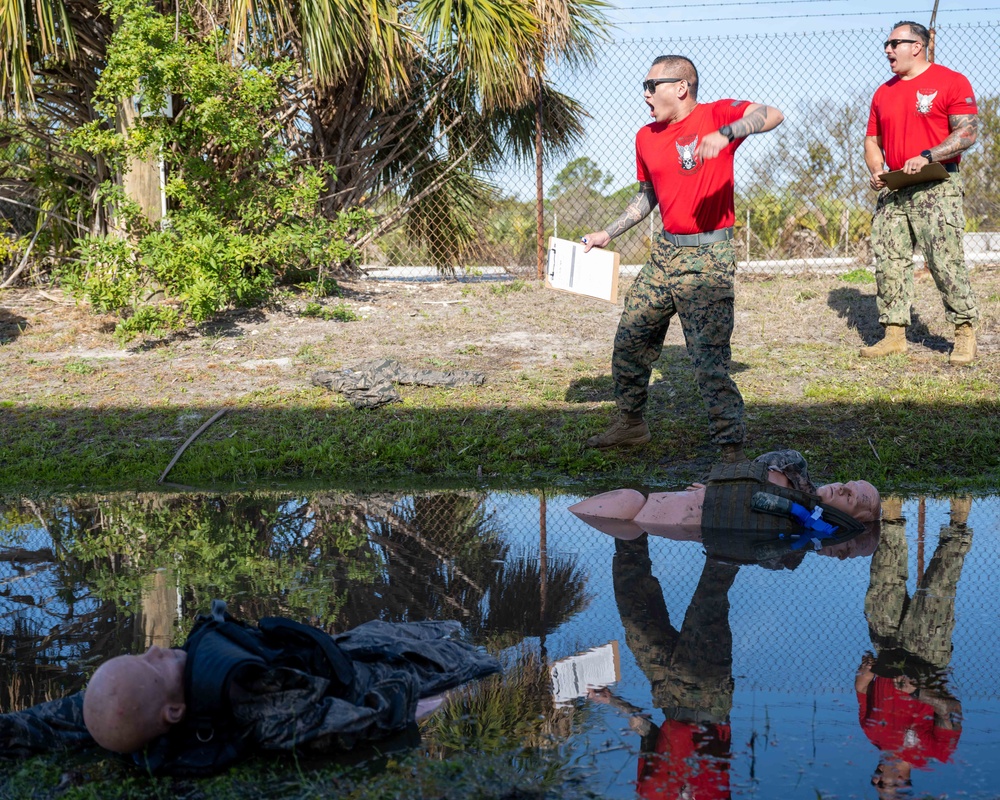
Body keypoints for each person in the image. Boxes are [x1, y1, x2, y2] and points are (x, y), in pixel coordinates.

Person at [0, 600, 500, 775]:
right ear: (173, 712)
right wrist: (462, 695)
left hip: (347, 645)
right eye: (152, 668)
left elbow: (51, 720)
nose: (157, 651)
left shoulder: (140, 696)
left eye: (140, 653)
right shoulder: (257, 709)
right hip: (404, 668)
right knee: (475, 650)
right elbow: (376, 717)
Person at [581, 54, 784, 460]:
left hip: (709, 255)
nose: (644, 95)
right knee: (631, 338)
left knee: (708, 361)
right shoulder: (645, 136)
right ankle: (631, 424)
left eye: (650, 85)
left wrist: (728, 133)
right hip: (665, 255)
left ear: (680, 87)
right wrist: (608, 232)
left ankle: (731, 451)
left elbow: (773, 114)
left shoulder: (715, 115)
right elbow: (647, 196)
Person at [861, 20, 979, 365]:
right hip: (895, 186)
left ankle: (965, 332)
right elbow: (872, 140)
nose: (887, 49)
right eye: (886, 43)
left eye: (894, 43)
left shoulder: (951, 81)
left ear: (918, 45)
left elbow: (967, 133)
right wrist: (876, 169)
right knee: (889, 260)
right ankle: (894, 335)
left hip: (937, 183)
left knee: (944, 260)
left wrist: (928, 155)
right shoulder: (883, 92)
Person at [856, 496, 972, 797]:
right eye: (885, 787)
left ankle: (892, 511)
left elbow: (862, 693)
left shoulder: (871, 734)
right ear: (904, 784)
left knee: (883, 583)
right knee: (938, 585)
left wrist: (865, 676)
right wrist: (919, 693)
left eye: (876, 784)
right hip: (926, 655)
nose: (876, 780)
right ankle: (959, 516)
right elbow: (953, 711)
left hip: (887, 649)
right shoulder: (935, 752)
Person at [568, 449, 881, 544]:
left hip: (645, 523)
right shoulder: (792, 475)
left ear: (855, 518)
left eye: (851, 497)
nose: (842, 487)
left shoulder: (801, 531)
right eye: (848, 482)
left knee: (628, 516)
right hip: (639, 510)